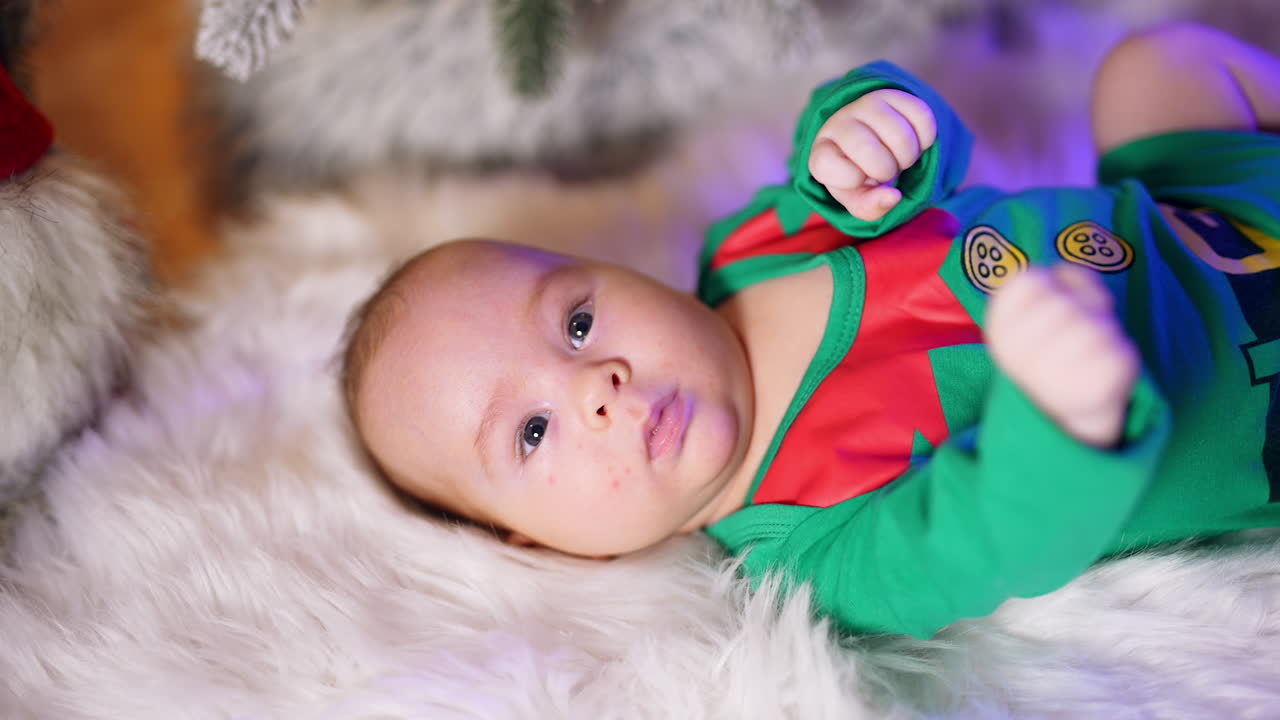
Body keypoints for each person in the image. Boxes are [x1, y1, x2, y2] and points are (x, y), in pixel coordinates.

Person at [341, 22, 1280, 639]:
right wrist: (1063, 418)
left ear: (626, 273)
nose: (596, 388)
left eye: (577, 322)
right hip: (1247, 375)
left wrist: (871, 128)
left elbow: (883, 173)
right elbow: (989, 535)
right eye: (532, 432)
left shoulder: (750, 251)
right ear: (537, 544)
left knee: (1155, 70)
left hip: (1198, 210)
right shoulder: (811, 552)